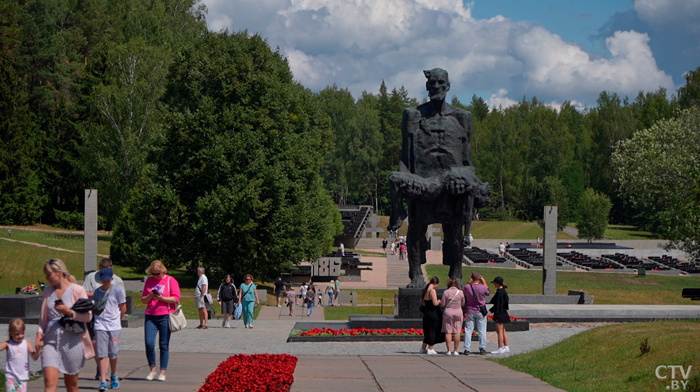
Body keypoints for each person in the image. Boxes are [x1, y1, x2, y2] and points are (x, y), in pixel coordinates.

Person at [387, 68, 491, 288]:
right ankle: (415, 275)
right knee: (416, 230)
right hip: (422, 183)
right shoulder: (413, 115)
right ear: (427, 86)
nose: (436, 87)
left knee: (454, 233)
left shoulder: (463, 117)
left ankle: (456, 276)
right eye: (432, 83)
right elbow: (405, 158)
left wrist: (466, 180)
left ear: (448, 86)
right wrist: (404, 183)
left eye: (440, 83)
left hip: (452, 187)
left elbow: (467, 162)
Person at [36, 258, 94, 392]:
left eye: (49, 274)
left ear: (59, 272)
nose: (47, 278)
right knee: (50, 383)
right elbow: (43, 318)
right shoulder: (48, 291)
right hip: (51, 341)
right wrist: (39, 334)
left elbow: (88, 316)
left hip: (72, 342)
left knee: (71, 386)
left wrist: (68, 312)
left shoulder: (77, 290)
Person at [82, 257, 125, 381]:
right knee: (97, 345)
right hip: (95, 315)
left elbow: (122, 302)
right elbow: (84, 292)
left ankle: (109, 373)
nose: (104, 280)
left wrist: (119, 319)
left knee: (112, 351)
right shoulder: (91, 277)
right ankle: (102, 373)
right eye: (102, 271)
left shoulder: (117, 281)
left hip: (112, 319)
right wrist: (95, 293)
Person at [141, 260, 181, 381]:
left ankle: (162, 372)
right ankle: (152, 369)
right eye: (153, 273)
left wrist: (161, 298)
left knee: (163, 345)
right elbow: (143, 300)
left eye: (157, 273)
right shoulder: (149, 281)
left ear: (163, 271)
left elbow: (176, 299)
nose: (155, 276)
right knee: (149, 344)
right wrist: (151, 296)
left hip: (165, 315)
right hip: (151, 315)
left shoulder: (170, 280)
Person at [93, 268, 126, 391]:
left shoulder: (117, 291)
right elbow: (95, 306)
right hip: (100, 325)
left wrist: (118, 320)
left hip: (114, 326)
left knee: (113, 353)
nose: (106, 282)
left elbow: (123, 307)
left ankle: (113, 375)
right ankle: (102, 380)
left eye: (108, 280)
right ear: (101, 279)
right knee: (102, 353)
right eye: (104, 280)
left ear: (112, 279)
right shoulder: (97, 292)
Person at [2, 319, 41, 392]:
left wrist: (39, 350)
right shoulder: (8, 344)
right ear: (10, 333)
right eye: (17, 334)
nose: (20, 336)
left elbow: (34, 357)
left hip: (22, 377)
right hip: (10, 376)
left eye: (22, 333)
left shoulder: (26, 343)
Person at [462, 272, 489, 355]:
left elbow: (464, 292)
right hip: (480, 310)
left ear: (471, 278)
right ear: (479, 278)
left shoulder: (467, 287)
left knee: (468, 330)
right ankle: (482, 348)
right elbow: (488, 292)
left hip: (470, 310)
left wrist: (469, 283)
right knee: (482, 330)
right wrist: (484, 282)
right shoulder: (482, 287)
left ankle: (467, 349)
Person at [419, 277, 444, 355]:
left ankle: (423, 348)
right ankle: (430, 348)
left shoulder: (425, 290)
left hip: (426, 312)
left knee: (427, 330)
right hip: (433, 313)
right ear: (435, 284)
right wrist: (439, 301)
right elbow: (435, 303)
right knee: (433, 330)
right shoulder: (432, 291)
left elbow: (423, 301)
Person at [440, 278, 465, 356]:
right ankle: (456, 350)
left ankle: (449, 350)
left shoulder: (446, 292)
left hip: (448, 312)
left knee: (448, 331)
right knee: (457, 331)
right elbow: (463, 303)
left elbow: (443, 304)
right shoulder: (460, 292)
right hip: (458, 311)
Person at [489, 276, 510, 355]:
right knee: (503, 331)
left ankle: (500, 348)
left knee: (500, 332)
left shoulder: (500, 292)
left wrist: (495, 313)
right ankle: (506, 346)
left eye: (494, 283)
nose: (494, 284)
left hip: (500, 313)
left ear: (498, 283)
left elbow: (498, 304)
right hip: (503, 313)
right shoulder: (503, 291)